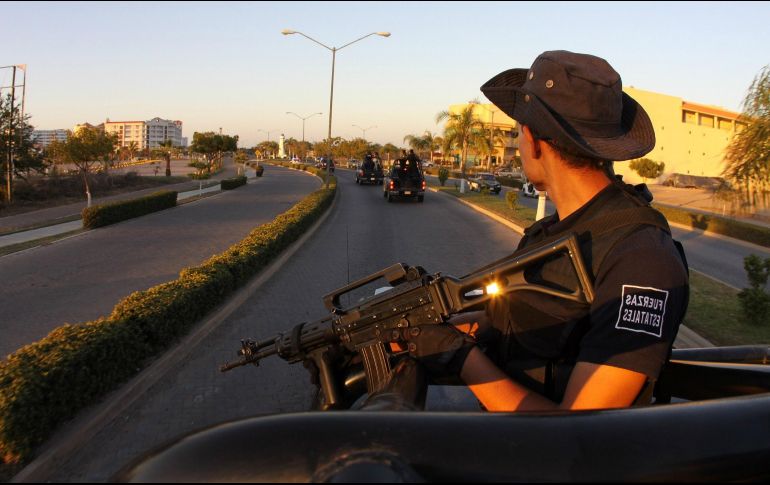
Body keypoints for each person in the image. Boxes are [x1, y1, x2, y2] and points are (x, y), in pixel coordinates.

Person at [398, 50, 689, 412]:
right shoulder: (550, 235)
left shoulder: (642, 260)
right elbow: (513, 320)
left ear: (533, 140)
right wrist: (416, 333)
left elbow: (579, 431)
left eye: (519, 132)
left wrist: (460, 358)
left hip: (548, 461)